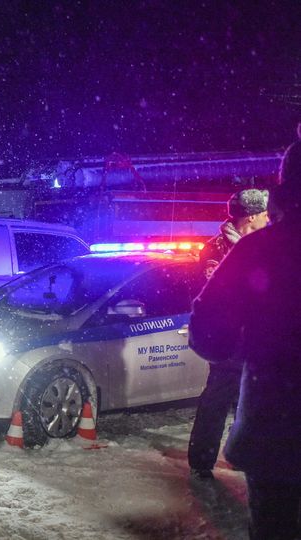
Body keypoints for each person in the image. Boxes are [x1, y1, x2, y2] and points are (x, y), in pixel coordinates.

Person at [189, 140, 301, 538]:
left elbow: (207, 331)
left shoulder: (262, 249)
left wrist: (250, 348)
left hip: (279, 432)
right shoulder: (229, 247)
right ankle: (200, 460)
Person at [187, 189, 270, 479]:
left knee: (253, 402)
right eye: (264, 214)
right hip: (231, 341)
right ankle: (202, 460)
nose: (268, 218)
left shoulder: (260, 244)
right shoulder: (217, 249)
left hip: (257, 338)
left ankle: (244, 455)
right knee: (217, 400)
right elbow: (218, 295)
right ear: (251, 217)